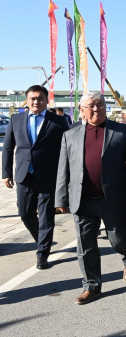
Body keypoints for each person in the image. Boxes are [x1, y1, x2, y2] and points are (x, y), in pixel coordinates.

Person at [54, 92, 126, 304]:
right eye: (91, 105)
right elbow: (63, 169)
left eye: (100, 104)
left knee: (119, 239)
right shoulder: (70, 135)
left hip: (112, 199)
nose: (96, 109)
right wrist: (61, 198)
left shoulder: (121, 131)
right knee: (86, 246)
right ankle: (91, 286)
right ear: (81, 110)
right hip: (82, 200)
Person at [2, 85, 69, 269]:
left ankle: (42, 254)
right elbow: (8, 148)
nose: (36, 102)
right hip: (24, 176)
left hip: (48, 177)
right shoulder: (16, 119)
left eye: (40, 98)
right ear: (27, 100)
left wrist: (65, 177)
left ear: (47, 100)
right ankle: (42, 240)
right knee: (25, 214)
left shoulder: (58, 121)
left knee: (46, 217)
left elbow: (66, 150)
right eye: (32, 98)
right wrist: (6, 173)